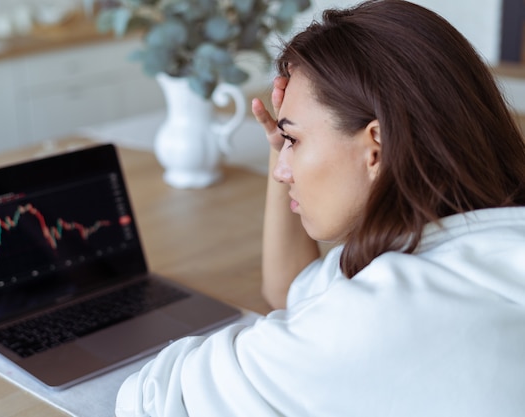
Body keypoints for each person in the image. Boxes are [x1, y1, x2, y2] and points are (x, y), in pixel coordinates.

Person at [115, 0, 525, 415]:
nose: (281, 171)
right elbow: (295, 294)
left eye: (294, 140)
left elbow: (152, 399)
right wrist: (286, 147)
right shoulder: (480, 247)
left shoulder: (381, 317)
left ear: (377, 146)